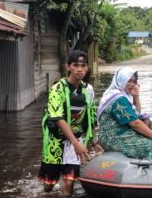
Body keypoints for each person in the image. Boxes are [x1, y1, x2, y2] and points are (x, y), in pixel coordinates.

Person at [39, 50, 102, 197]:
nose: (79, 69)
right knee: (48, 187)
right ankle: (51, 182)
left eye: (83, 66)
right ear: (68, 67)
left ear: (87, 68)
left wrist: (94, 141)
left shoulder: (89, 90)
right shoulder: (57, 89)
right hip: (56, 142)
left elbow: (91, 116)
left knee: (69, 185)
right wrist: (76, 144)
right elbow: (58, 118)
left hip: (77, 141)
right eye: (75, 65)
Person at [97, 67, 152, 160]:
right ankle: (149, 174)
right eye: (128, 81)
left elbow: (136, 115)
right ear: (121, 80)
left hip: (123, 134)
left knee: (151, 139)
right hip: (113, 138)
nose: (132, 84)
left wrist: (136, 96)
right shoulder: (117, 98)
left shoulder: (123, 95)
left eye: (134, 82)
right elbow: (135, 123)